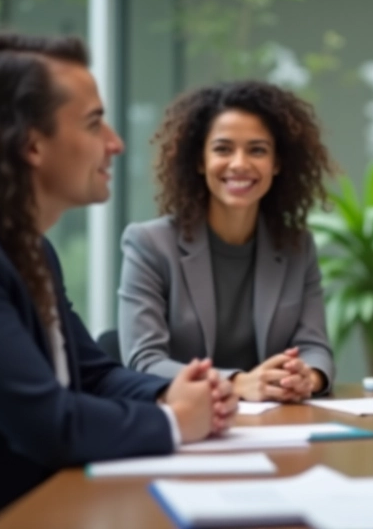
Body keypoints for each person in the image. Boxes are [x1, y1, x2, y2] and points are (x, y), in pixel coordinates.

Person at [0, 33, 236, 529]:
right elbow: (51, 425)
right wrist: (176, 420)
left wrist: (171, 392)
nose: (115, 143)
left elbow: (90, 374)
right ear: (30, 143)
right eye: (94, 123)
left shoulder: (28, 247)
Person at [119, 81, 335, 402]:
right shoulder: (149, 244)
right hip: (186, 426)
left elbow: (314, 347)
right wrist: (235, 383)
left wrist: (307, 377)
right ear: (199, 160)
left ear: (277, 163)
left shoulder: (296, 246)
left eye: (257, 150)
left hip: (274, 425)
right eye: (222, 149)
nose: (239, 164)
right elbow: (144, 361)